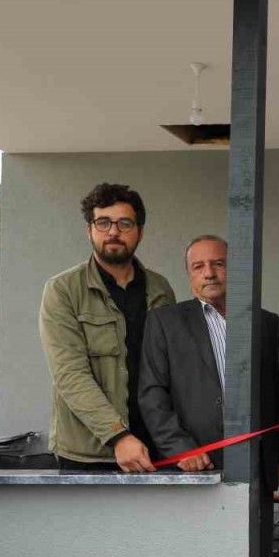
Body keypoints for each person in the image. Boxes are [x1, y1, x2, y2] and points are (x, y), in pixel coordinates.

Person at [136, 235, 279, 557]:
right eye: (199, 266)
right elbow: (152, 393)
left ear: (235, 268)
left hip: (256, 464)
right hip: (196, 466)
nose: (210, 273)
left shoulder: (265, 323)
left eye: (219, 263)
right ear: (189, 274)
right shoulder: (165, 322)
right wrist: (181, 448)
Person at [38, 182, 175, 471]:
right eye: (103, 223)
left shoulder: (160, 289)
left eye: (125, 223)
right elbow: (69, 374)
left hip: (155, 448)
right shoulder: (63, 289)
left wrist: (177, 438)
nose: (113, 232)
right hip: (88, 454)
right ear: (89, 230)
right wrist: (118, 436)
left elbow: (172, 371)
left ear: (139, 232)